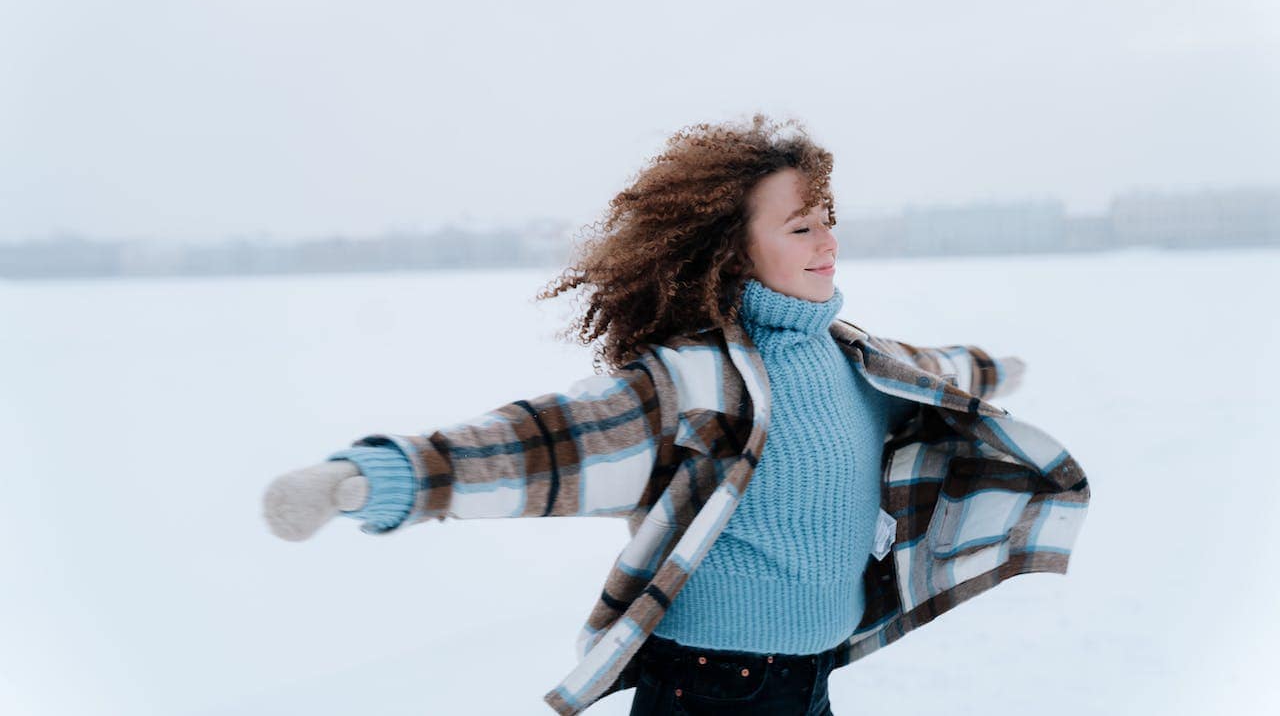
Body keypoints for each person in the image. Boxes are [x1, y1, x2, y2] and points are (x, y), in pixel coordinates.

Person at [262, 114, 1088, 716]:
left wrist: (991, 370)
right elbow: (539, 446)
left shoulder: (858, 358)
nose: (826, 240)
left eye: (828, 219)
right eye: (800, 225)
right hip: (709, 688)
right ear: (731, 250)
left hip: (811, 679)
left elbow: (935, 373)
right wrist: (368, 479)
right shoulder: (696, 382)